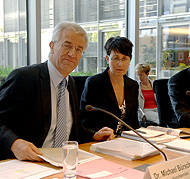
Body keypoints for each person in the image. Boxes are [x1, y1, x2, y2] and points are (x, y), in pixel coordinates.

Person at [0, 22, 114, 161]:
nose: (72, 54)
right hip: (28, 162)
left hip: (62, 160)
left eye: (79, 49)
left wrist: (94, 135)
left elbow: (70, 129)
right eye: (67, 46)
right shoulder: (25, 78)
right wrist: (14, 143)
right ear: (52, 46)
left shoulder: (70, 83)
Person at [80, 36, 139, 136]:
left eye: (124, 59)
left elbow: (133, 122)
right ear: (107, 59)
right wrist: (96, 134)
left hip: (127, 141)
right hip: (102, 140)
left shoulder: (133, 85)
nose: (120, 64)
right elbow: (84, 120)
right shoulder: (94, 83)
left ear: (130, 60)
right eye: (115, 58)